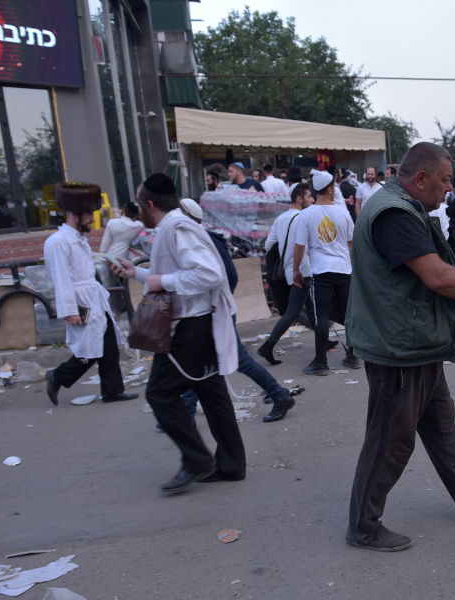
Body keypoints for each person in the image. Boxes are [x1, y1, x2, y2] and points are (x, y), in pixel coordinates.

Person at [345, 142, 455, 551]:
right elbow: (437, 277)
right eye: (443, 181)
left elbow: (438, 266)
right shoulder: (395, 215)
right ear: (420, 179)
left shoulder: (403, 205)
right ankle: (363, 526)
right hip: (399, 346)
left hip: (416, 340)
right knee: (390, 439)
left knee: (442, 428)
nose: (447, 190)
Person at [112, 173, 246, 494]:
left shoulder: (177, 227)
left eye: (138, 203)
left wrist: (163, 282)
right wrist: (138, 273)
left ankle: (197, 458)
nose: (136, 210)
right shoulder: (172, 227)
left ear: (149, 204)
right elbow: (175, 274)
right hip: (196, 324)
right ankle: (231, 463)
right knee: (211, 394)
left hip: (190, 327)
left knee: (159, 393)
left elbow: (208, 274)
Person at [179, 198, 295, 422]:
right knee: (202, 360)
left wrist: (215, 301)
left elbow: (227, 277)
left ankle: (279, 395)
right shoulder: (202, 239)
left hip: (215, 312)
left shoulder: (203, 241)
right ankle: (186, 409)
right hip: (213, 311)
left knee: (236, 360)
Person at [43, 183, 137, 407]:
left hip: (94, 298)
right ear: (76, 214)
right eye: (89, 215)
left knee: (108, 344)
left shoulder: (79, 239)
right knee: (89, 350)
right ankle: (58, 376)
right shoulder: (57, 242)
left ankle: (113, 390)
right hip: (79, 302)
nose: (92, 220)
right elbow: (61, 279)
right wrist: (70, 311)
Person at [292, 169, 359, 375]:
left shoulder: (306, 214)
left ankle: (321, 362)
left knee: (321, 317)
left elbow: (299, 246)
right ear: (330, 189)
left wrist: (296, 270)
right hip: (343, 270)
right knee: (349, 315)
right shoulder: (343, 212)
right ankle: (353, 356)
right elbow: (351, 244)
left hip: (321, 271)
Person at [258, 183, 321, 364]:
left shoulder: (280, 219)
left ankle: (323, 339)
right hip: (303, 269)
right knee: (293, 312)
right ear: (299, 199)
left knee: (311, 307)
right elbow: (308, 245)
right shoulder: (304, 217)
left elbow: (268, 245)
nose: (312, 200)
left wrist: (286, 257)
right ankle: (267, 346)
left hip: (289, 270)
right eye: (309, 196)